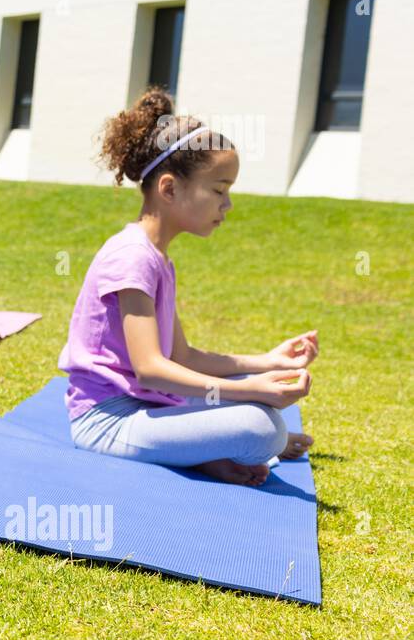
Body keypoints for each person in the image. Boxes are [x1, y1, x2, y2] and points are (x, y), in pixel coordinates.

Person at [57, 87, 315, 485]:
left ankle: (202, 451)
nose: (227, 206)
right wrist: (250, 394)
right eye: (219, 191)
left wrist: (267, 363)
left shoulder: (158, 258)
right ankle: (206, 448)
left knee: (251, 400)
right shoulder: (132, 257)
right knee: (263, 428)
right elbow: (151, 370)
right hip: (107, 421)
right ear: (169, 189)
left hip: (149, 406)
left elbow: (182, 356)